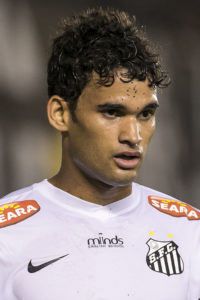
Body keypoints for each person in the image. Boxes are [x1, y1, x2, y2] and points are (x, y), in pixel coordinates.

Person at [0, 7, 199, 300]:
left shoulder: (190, 231)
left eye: (145, 114)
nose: (133, 136)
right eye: (112, 112)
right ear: (60, 114)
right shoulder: (7, 235)